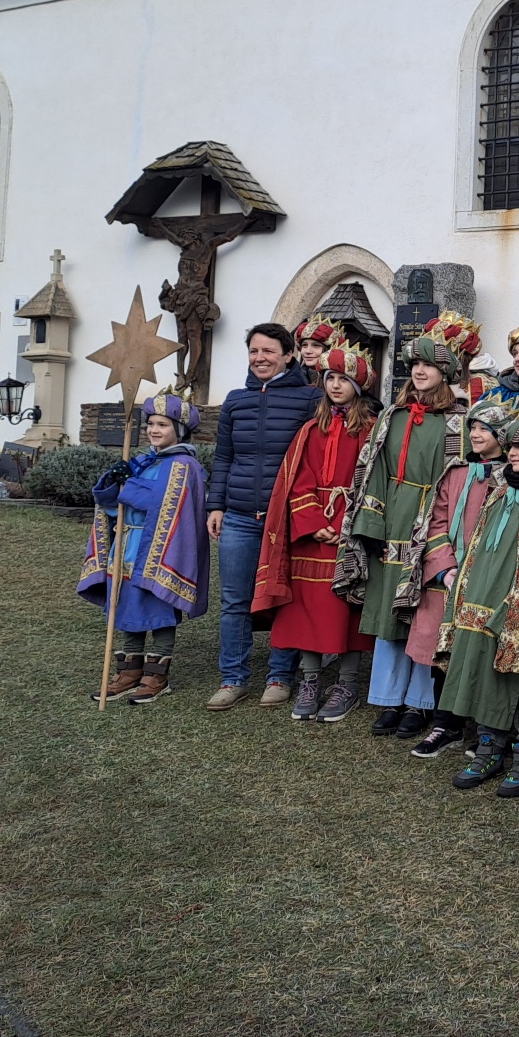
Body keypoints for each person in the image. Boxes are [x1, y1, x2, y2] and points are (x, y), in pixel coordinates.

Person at [334, 312, 477, 739]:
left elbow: (458, 482)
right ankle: (388, 697)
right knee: (386, 613)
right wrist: (372, 526)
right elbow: (372, 472)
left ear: (447, 372)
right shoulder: (391, 417)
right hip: (390, 521)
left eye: (429, 365)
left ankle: (419, 703)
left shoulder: (459, 423)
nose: (419, 371)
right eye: (415, 363)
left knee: (422, 613)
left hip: (430, 523)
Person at [438, 413, 519, 797]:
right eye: (510, 446)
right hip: (483, 592)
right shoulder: (498, 490)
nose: (513, 453)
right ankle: (489, 746)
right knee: (482, 662)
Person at [251, 342, 377, 724]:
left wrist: (344, 527)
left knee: (346, 608)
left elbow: (374, 483)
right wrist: (313, 523)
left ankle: (347, 682)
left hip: (350, 531)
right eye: (331, 378)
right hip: (311, 534)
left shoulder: (372, 431)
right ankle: (309, 680)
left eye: (344, 378)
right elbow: (295, 480)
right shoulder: (310, 429)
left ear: (359, 385)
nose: (336, 385)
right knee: (305, 608)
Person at [205, 322, 322, 711]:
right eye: (254, 351)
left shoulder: (310, 399)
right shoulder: (236, 401)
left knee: (284, 596)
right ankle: (233, 677)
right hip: (238, 515)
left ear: (288, 355)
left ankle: (279, 675)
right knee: (235, 600)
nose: (260, 358)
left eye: (269, 351)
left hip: (285, 518)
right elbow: (224, 457)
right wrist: (216, 505)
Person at [79, 390, 209, 705]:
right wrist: (112, 482)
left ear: (178, 429)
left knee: (157, 605)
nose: (154, 430)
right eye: (151, 423)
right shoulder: (140, 461)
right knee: (126, 605)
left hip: (162, 549)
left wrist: (128, 487)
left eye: (162, 424)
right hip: (127, 545)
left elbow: (161, 502)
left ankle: (156, 674)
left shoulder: (185, 465)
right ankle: (129, 671)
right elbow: (110, 502)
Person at [403, 399, 511, 758]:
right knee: (441, 647)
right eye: (473, 428)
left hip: (489, 581)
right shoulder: (456, 471)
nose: (477, 434)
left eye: (485, 429)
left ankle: (483, 728)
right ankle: (444, 724)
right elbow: (436, 520)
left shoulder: (512, 475)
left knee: (482, 649)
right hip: (448, 577)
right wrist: (445, 566)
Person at [293, 316, 338, 386]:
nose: (308, 351)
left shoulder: (338, 384)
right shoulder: (292, 379)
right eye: (304, 345)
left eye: (316, 346)